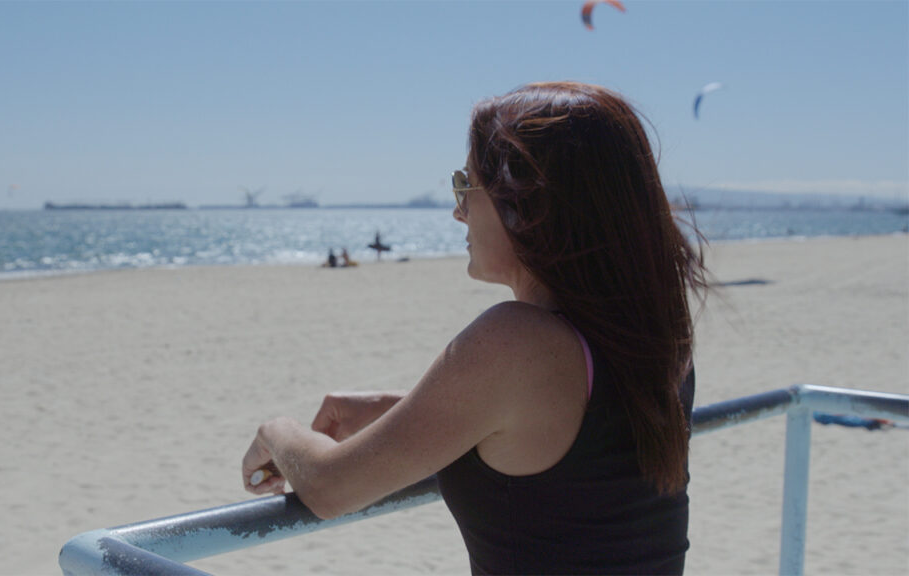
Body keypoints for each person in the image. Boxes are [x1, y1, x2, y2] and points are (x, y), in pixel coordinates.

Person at [242, 82, 709, 575]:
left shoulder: (515, 340)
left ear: (529, 203)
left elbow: (331, 487)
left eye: (466, 184)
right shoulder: (652, 329)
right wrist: (395, 411)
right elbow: (575, 438)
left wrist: (277, 432)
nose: (457, 210)